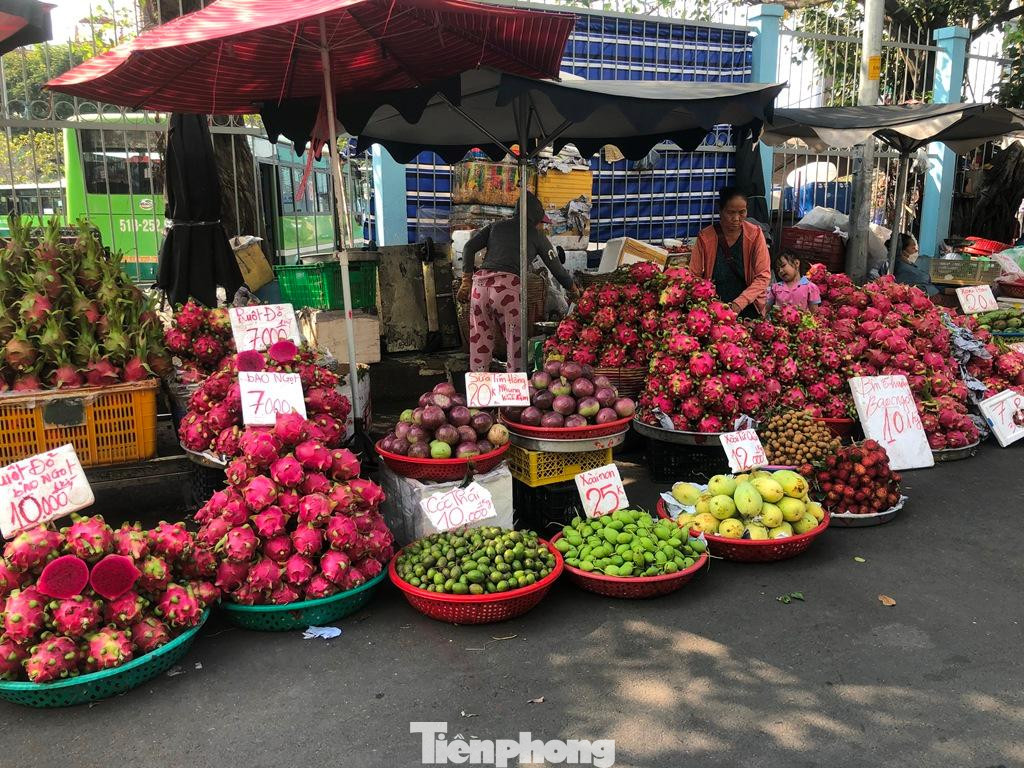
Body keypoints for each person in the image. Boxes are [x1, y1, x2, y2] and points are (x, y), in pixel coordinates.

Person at [457, 192, 578, 372]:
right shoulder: (536, 235)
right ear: (534, 218)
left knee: (479, 341)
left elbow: (468, 247)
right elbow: (558, 270)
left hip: (479, 288)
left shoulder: (495, 226)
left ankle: (479, 388)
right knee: (515, 343)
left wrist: (466, 280)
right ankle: (514, 387)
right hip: (506, 290)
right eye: (541, 222)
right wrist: (574, 290)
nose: (541, 226)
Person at [688, 187, 772, 318]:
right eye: (731, 212)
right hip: (713, 309)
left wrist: (739, 304)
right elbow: (694, 276)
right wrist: (709, 302)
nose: (736, 218)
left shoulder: (755, 234)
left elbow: (763, 276)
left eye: (742, 212)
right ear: (720, 210)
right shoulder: (705, 237)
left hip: (749, 307)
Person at [887, 233, 938, 297]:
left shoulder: (908, 264)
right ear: (902, 250)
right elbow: (925, 278)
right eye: (913, 247)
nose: (916, 250)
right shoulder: (902, 268)